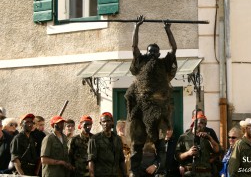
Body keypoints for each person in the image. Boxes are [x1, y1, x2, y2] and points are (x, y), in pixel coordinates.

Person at [125, 15, 177, 177]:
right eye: (150, 51)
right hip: (141, 109)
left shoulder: (163, 64)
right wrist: (136, 27)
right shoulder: (141, 62)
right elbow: (134, 47)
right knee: (137, 144)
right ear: (147, 53)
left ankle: (159, 169)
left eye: (155, 52)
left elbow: (174, 49)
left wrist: (168, 31)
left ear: (158, 54)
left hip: (159, 110)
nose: (152, 54)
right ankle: (135, 171)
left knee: (160, 144)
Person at [175, 113, 220, 177]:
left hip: (206, 173)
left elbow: (217, 151)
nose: (203, 125)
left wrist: (210, 139)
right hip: (190, 173)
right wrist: (188, 153)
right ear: (194, 122)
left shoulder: (208, 136)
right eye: (201, 122)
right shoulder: (184, 137)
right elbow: (177, 156)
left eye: (205, 123)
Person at [88, 112, 127, 177]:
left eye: (108, 121)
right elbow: (91, 160)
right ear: (100, 123)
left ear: (112, 122)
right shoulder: (94, 139)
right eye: (103, 121)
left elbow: (121, 160)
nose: (106, 123)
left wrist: (125, 175)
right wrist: (92, 175)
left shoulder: (117, 139)